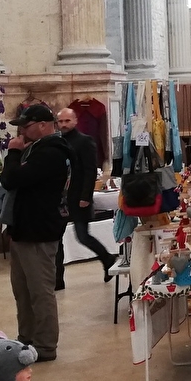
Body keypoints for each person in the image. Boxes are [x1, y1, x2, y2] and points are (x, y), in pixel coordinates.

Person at [0, 104, 73, 362]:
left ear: (43, 125)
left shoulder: (50, 152)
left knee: (40, 291)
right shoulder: (38, 149)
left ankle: (45, 346)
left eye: (26, 126)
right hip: (24, 229)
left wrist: (13, 154)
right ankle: (26, 338)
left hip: (38, 231)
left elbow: (10, 180)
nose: (21, 131)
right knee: (22, 290)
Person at [53, 107, 114, 286]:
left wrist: (86, 196)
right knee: (57, 239)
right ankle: (58, 279)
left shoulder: (85, 141)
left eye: (67, 121)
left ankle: (107, 259)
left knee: (82, 235)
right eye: (61, 121)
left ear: (75, 121)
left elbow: (89, 170)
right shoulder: (57, 142)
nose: (63, 125)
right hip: (60, 199)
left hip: (79, 197)